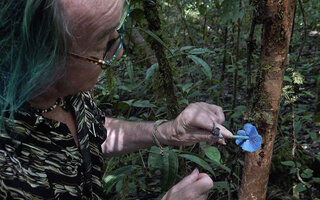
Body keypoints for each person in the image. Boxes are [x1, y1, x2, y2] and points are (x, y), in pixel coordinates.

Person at [0, 0, 232, 199]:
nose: (118, 52)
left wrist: (169, 131)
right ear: (45, 57)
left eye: (117, 30)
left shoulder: (65, 88)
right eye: (104, 45)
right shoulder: (7, 171)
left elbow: (90, 132)